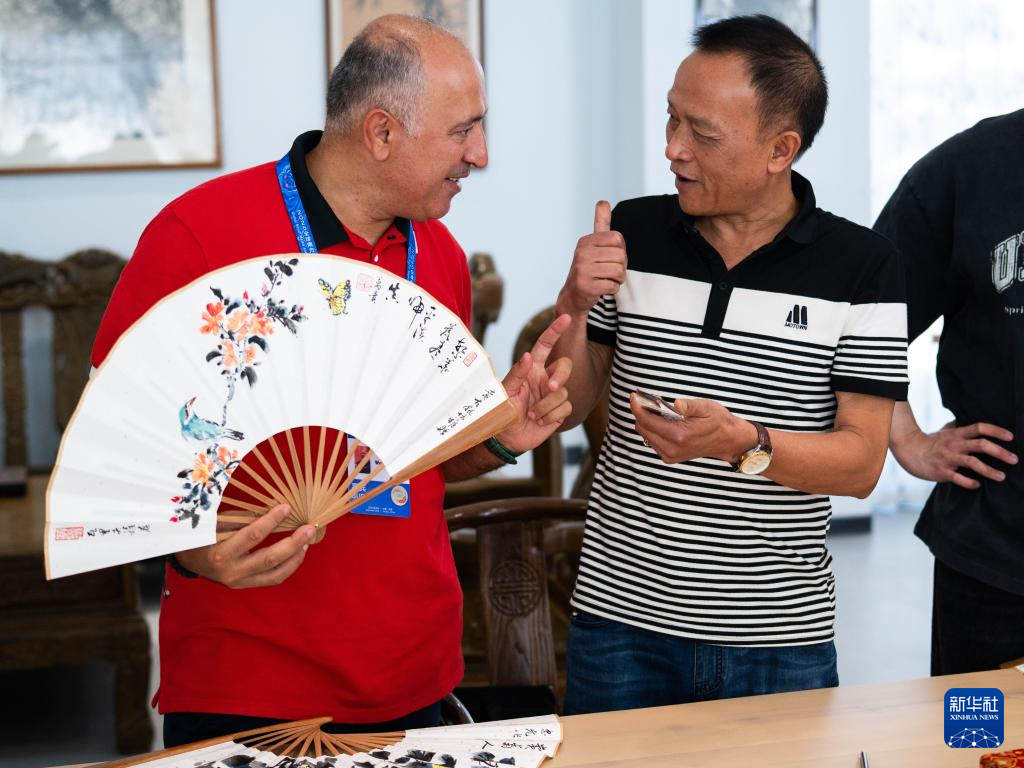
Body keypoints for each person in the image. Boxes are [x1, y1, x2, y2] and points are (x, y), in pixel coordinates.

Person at [90, 15, 572, 746]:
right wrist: (190, 552)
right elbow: (112, 444)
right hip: (246, 680)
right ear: (381, 133)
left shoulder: (440, 257)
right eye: (463, 131)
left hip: (414, 673)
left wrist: (501, 438)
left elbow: (411, 465)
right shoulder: (200, 235)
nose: (480, 154)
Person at [550, 14, 909, 714]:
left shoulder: (864, 267)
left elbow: (862, 465)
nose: (673, 148)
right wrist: (573, 300)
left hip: (777, 641)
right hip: (617, 626)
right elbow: (567, 402)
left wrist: (744, 443)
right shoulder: (633, 231)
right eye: (671, 119)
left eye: (702, 134)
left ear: (781, 149)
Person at [873, 109, 1024, 676]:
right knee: (975, 726)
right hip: (995, 556)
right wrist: (908, 438)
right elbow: (863, 319)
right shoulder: (969, 169)